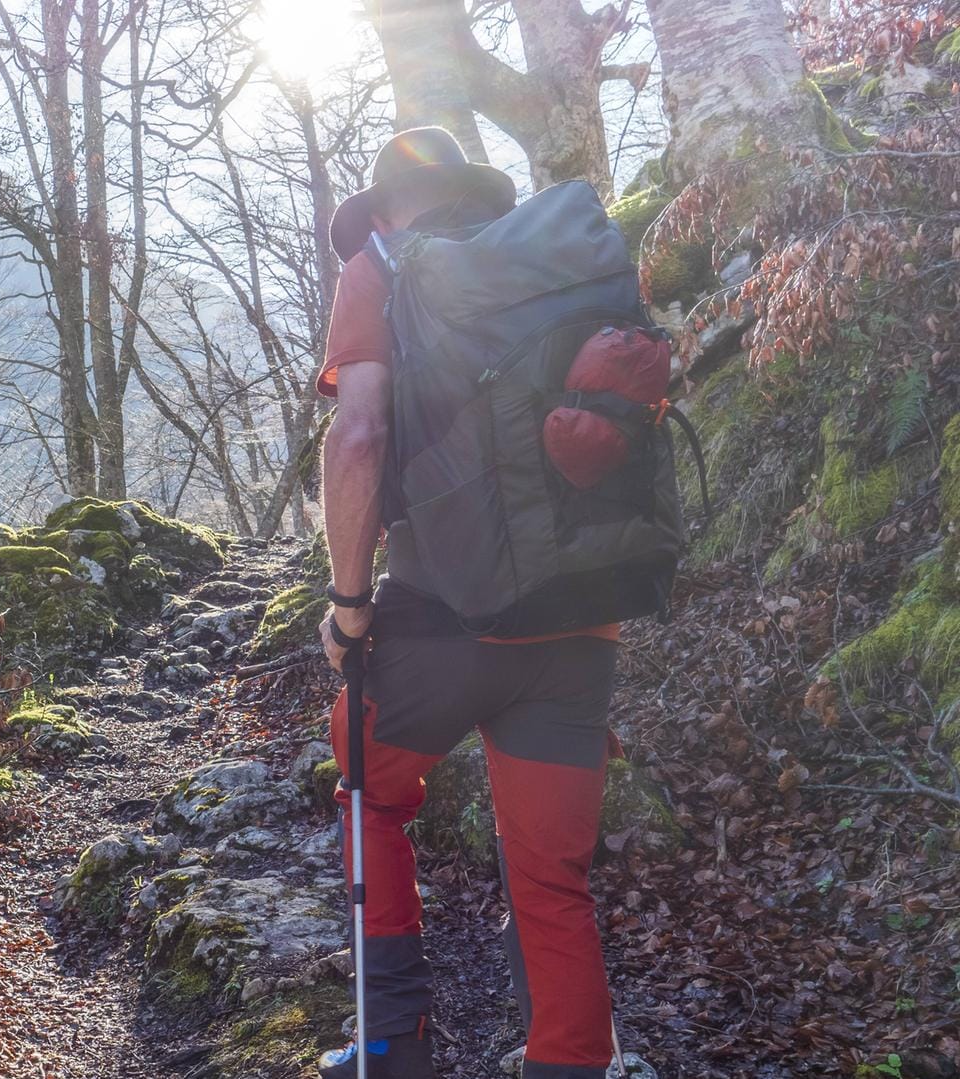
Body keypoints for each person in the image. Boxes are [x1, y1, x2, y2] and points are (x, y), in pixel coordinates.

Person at [314, 127, 624, 1079]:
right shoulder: (562, 269)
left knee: (369, 786)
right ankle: (571, 1064)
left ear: (389, 210)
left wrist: (350, 604)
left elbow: (359, 435)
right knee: (550, 871)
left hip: (441, 620)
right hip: (581, 619)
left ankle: (393, 1049)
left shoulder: (383, 270)